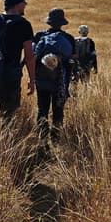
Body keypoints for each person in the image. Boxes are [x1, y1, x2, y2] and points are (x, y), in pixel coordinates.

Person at [0, 0, 36, 125]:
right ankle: (5, 142)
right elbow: (29, 56)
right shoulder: (23, 24)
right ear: (17, 4)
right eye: (24, 2)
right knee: (8, 115)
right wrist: (32, 79)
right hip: (11, 74)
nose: (25, 5)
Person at [33, 8, 75, 140]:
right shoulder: (68, 38)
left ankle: (42, 139)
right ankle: (56, 139)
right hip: (61, 82)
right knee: (58, 111)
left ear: (49, 22)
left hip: (42, 80)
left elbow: (33, 57)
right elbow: (72, 60)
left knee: (42, 109)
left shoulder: (39, 36)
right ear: (62, 23)